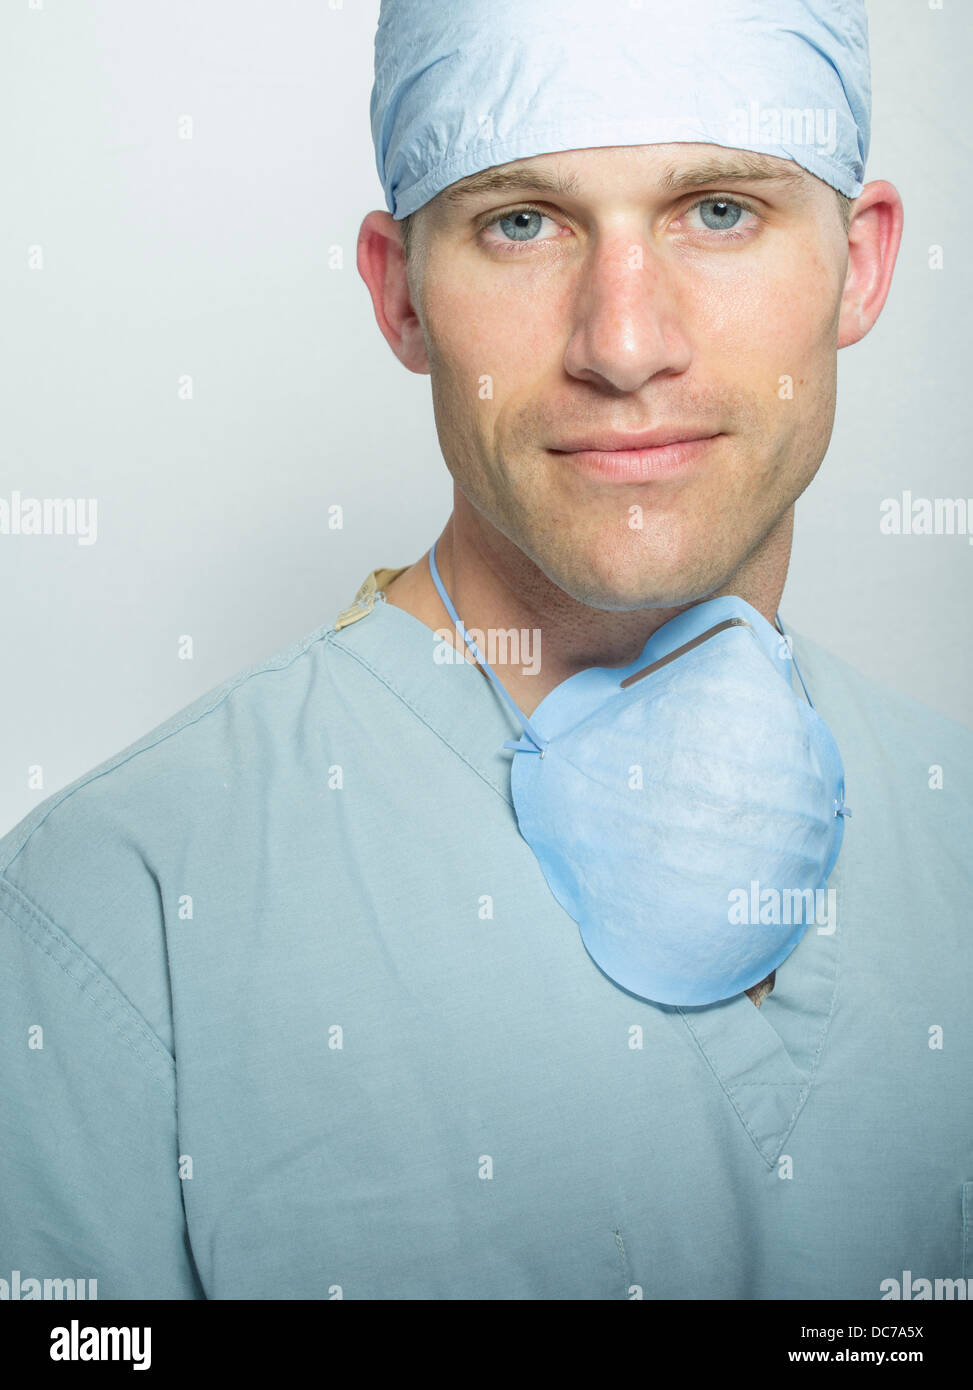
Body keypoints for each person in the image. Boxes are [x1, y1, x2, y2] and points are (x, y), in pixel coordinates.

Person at [1, 0, 970, 1302]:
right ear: (402, 294)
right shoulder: (112, 917)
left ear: (857, 265)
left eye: (719, 211)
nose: (624, 344)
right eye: (521, 222)